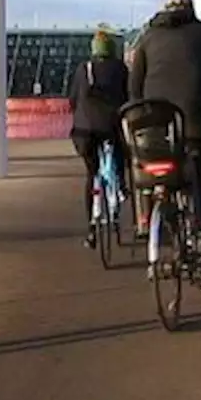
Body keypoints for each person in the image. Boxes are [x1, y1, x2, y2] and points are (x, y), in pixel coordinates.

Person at [128, 0, 201, 288]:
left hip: (155, 128)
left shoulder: (146, 39)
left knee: (154, 174)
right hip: (195, 127)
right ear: (191, 10)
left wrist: (140, 127)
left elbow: (134, 87)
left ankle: (151, 222)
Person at [67, 28, 129, 249]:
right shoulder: (120, 69)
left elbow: (72, 100)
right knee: (122, 151)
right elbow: (128, 98)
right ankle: (121, 185)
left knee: (91, 174)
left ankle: (91, 229)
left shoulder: (83, 69)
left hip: (84, 132)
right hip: (111, 128)